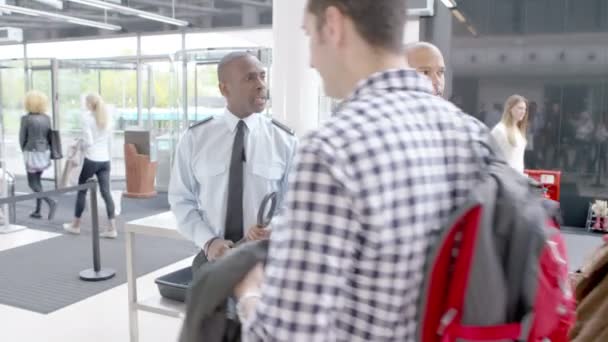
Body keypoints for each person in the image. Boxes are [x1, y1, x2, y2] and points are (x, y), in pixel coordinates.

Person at [234, 1, 491, 340]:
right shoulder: (474, 137)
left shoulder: (334, 150)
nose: (311, 60)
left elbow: (286, 336)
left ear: (333, 24)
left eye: (310, 36)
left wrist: (249, 292)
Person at [168, 51, 297, 273]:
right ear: (224, 89)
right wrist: (209, 242)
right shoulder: (195, 138)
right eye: (249, 78)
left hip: (267, 262)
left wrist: (274, 228)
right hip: (213, 260)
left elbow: (294, 204)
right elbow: (181, 200)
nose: (260, 85)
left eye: (262, 76)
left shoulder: (284, 141)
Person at [63, 94, 117, 238]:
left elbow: (89, 142)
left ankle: (75, 225)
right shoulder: (107, 118)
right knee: (106, 193)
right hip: (105, 160)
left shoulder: (87, 118)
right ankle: (112, 228)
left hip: (91, 158)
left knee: (82, 191)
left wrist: (79, 143)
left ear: (89, 104)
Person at [19, 90, 57, 220]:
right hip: (44, 152)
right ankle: (37, 210)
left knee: (32, 184)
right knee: (38, 182)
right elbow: (49, 136)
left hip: (32, 153)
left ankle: (50, 201)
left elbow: (22, 138)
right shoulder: (47, 118)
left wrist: (23, 151)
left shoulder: (26, 119)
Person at [490, 95, 528, 174]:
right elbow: (489, 155)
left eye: (525, 109)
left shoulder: (519, 131)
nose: (523, 111)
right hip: (505, 178)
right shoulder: (500, 130)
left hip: (518, 177)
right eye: (520, 108)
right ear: (510, 109)